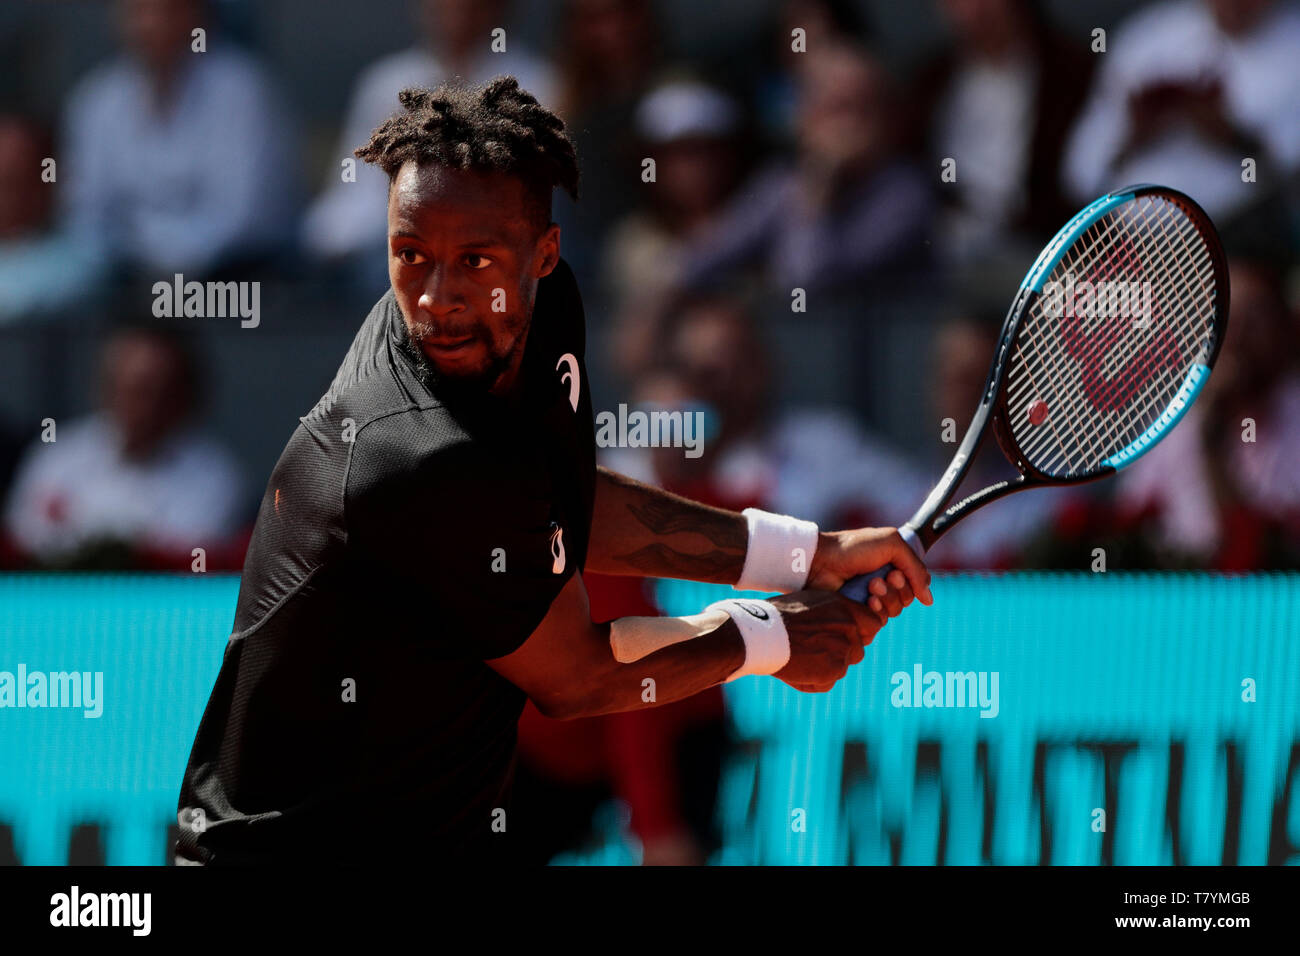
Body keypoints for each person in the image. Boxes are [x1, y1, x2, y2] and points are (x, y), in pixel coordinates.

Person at [174, 77, 931, 866]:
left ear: (544, 254)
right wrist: (773, 635)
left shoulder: (533, 326)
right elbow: (576, 677)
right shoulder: (414, 456)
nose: (437, 298)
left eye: (476, 259)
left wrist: (806, 555)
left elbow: (561, 502)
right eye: (410, 255)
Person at [59, 0, 298, 278]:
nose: (149, 25)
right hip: (126, 279)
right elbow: (86, 215)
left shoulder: (243, 91)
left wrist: (151, 247)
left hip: (240, 278)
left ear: (199, 17)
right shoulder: (96, 99)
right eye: (136, 12)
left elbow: (243, 218)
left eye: (166, 11)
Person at [3, 324, 245, 567]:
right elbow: (24, 538)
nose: (142, 407)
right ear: (104, 388)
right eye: (126, 388)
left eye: (152, 391)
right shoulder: (58, 453)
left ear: (184, 396)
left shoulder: (216, 473)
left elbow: (192, 556)